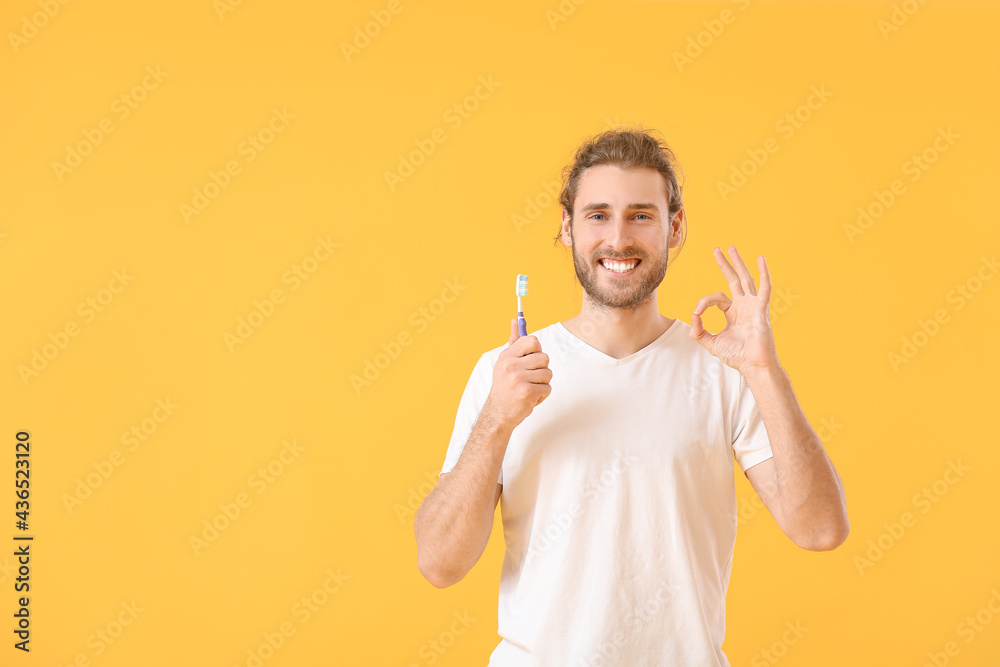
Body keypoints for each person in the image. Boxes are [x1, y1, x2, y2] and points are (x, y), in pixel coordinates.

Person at [413, 126, 849, 666]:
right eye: (598, 215)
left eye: (641, 215)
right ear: (568, 228)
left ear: (675, 227)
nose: (618, 239)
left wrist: (764, 370)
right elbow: (439, 563)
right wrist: (499, 418)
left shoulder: (726, 368)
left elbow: (821, 529)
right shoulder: (505, 374)